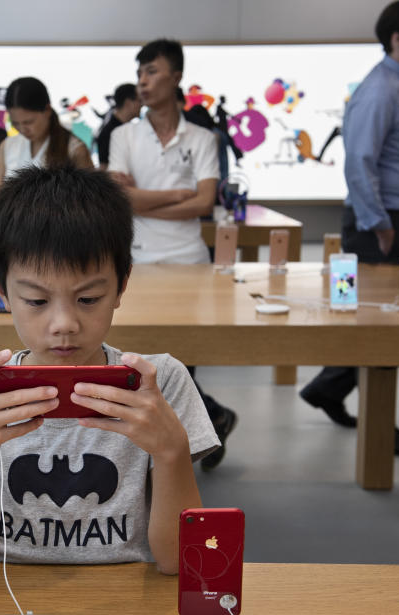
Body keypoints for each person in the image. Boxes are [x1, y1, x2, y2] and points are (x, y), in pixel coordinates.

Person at [0, 165, 218, 577]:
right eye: (36, 301)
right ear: (2, 290)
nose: (63, 324)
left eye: (89, 298)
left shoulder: (159, 383)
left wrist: (172, 453)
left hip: (127, 597)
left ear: (122, 285)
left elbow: (179, 562)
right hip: (1, 600)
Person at [299, 0, 399, 460]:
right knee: (381, 324)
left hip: (394, 217)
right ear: (398, 39)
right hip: (383, 221)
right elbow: (359, 162)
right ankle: (376, 425)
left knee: (382, 321)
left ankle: (329, 387)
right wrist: (380, 224)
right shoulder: (381, 90)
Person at [109, 39, 236, 471]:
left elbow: (204, 203)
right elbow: (120, 201)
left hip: (188, 259)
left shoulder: (202, 138)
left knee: (185, 365)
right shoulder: (122, 135)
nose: (143, 81)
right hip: (138, 258)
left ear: (176, 76)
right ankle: (156, 451)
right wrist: (175, 193)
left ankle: (189, 444)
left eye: (153, 72)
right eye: (140, 73)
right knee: (139, 362)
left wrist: (145, 197)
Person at [0, 76, 93, 199]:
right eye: (15, 123)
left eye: (29, 122)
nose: (22, 129)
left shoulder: (74, 149)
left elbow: (90, 200)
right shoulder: (7, 146)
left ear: (47, 110)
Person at [96, 83, 140, 170]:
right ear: (128, 103)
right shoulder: (109, 133)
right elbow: (104, 168)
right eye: (139, 101)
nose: (142, 104)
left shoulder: (131, 130)